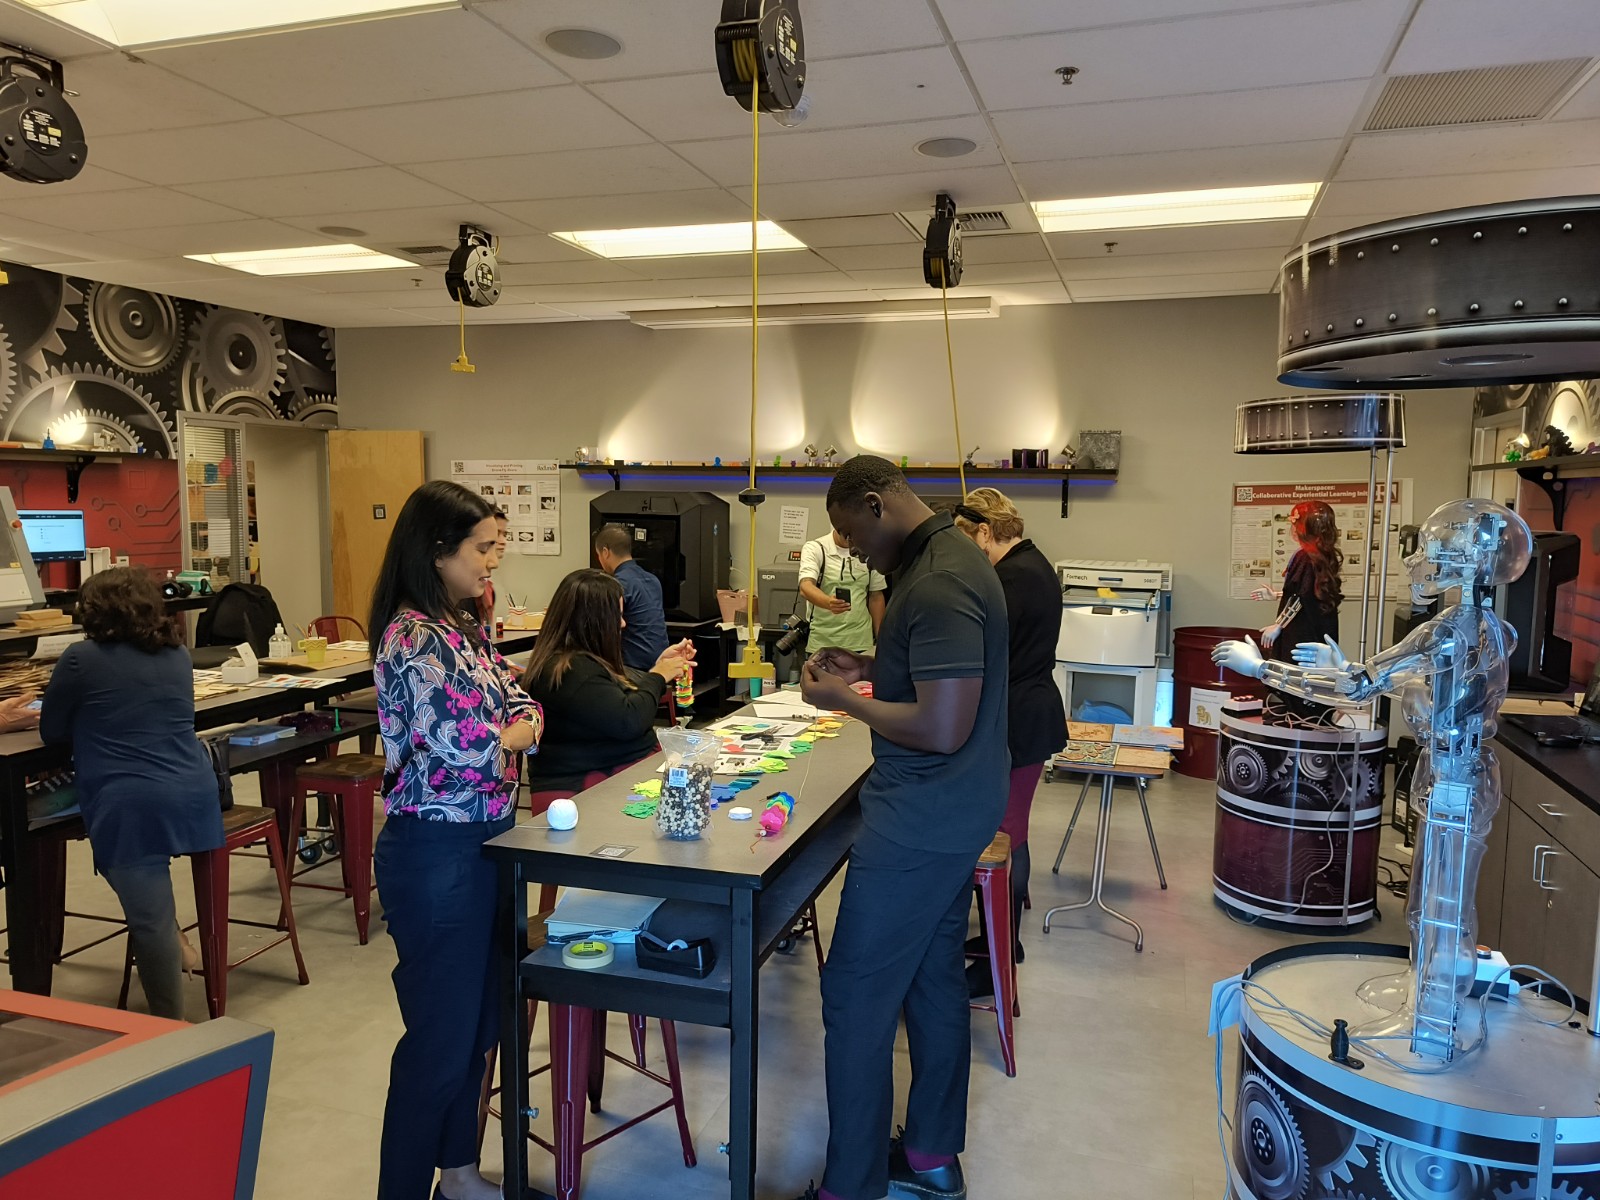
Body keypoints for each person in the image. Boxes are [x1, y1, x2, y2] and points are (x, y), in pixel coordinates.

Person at [795, 456, 1010, 1200]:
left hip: (924, 817)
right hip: (953, 810)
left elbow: (942, 724)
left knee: (854, 996)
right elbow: (928, 672)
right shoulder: (939, 558)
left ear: (877, 503)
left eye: (853, 535)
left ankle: (849, 1185)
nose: (852, 550)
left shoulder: (942, 581)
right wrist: (867, 661)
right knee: (929, 981)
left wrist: (840, 699)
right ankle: (929, 1158)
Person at [368, 480, 543, 1200]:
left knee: (479, 1029)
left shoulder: (461, 629)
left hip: (486, 839)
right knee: (438, 1045)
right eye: (483, 548)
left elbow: (523, 702)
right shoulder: (412, 637)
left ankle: (461, 1172)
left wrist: (516, 727)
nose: (491, 562)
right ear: (439, 551)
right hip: (436, 853)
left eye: (497, 547)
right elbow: (463, 749)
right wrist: (509, 735)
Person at [40, 567, 222, 1021]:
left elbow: (52, 730)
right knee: (153, 909)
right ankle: (177, 943)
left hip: (132, 803)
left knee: (150, 921)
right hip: (193, 792)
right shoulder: (177, 654)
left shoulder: (81, 659)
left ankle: (169, 1030)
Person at [952, 488, 1064, 985]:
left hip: (1019, 718)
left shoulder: (1010, 577)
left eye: (967, 539)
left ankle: (1003, 948)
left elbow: (986, 655)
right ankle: (1003, 934)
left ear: (983, 530)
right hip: (1031, 710)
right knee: (1013, 828)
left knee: (1006, 834)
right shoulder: (1035, 562)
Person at [520, 568, 695, 794]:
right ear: (593, 621)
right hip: (591, 784)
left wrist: (657, 669)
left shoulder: (576, 664)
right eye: (617, 616)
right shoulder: (570, 671)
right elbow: (629, 720)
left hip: (613, 771)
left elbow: (613, 701)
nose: (622, 624)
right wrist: (659, 675)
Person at [1255, 500, 1343, 725]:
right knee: (1314, 674)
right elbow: (1307, 596)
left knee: (1296, 676)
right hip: (1318, 629)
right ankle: (1318, 714)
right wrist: (1276, 595)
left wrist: (1279, 626)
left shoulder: (1304, 557)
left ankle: (1301, 720)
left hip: (1301, 633)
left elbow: (1300, 598)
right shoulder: (1322, 555)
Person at [798, 527, 887, 654]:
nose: (850, 538)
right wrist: (828, 602)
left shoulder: (869, 551)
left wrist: (882, 640)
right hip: (822, 644)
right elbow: (805, 586)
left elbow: (876, 596)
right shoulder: (816, 548)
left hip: (861, 644)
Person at [593, 523, 669, 671]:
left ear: (605, 552)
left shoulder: (616, 584)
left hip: (633, 667)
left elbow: (603, 631)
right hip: (661, 662)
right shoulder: (653, 580)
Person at [474, 508, 509, 629]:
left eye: (505, 534)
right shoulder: (468, 586)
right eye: (497, 534)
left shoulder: (487, 587)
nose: (503, 541)